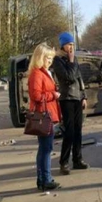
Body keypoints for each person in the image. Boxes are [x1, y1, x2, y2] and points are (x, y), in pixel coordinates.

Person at [52, 32, 89, 175]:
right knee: (69, 131)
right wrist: (72, 61)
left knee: (78, 130)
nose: (71, 47)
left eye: (73, 44)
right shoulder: (58, 60)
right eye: (69, 44)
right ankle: (64, 162)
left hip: (77, 98)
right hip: (66, 98)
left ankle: (77, 160)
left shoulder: (74, 59)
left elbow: (79, 78)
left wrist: (84, 96)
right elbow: (69, 77)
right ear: (63, 45)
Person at [27, 42, 61, 191]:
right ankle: (45, 179)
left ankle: (42, 179)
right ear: (40, 57)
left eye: (51, 58)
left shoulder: (43, 72)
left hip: (47, 114)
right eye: (47, 58)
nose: (50, 61)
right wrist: (53, 95)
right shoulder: (37, 73)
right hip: (43, 116)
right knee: (46, 148)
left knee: (44, 148)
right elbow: (35, 95)